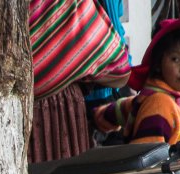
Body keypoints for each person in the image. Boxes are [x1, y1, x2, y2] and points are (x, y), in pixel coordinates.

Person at [93, 15, 180, 145]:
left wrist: (102, 115)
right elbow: (148, 159)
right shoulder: (159, 104)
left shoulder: (174, 97)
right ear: (159, 63)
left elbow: (128, 107)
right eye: (175, 59)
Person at [29, 0, 130, 162]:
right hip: (61, 111)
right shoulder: (67, 4)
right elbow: (119, 69)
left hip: (9, 115)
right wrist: (71, 68)